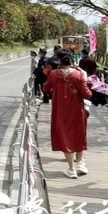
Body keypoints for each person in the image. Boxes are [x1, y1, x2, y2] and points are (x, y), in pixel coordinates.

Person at [43, 48, 92, 179]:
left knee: (64, 136)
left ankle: (71, 168)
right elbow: (87, 94)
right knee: (79, 134)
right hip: (77, 109)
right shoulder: (79, 74)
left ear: (59, 60)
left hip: (60, 111)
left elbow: (45, 88)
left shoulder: (54, 74)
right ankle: (81, 163)